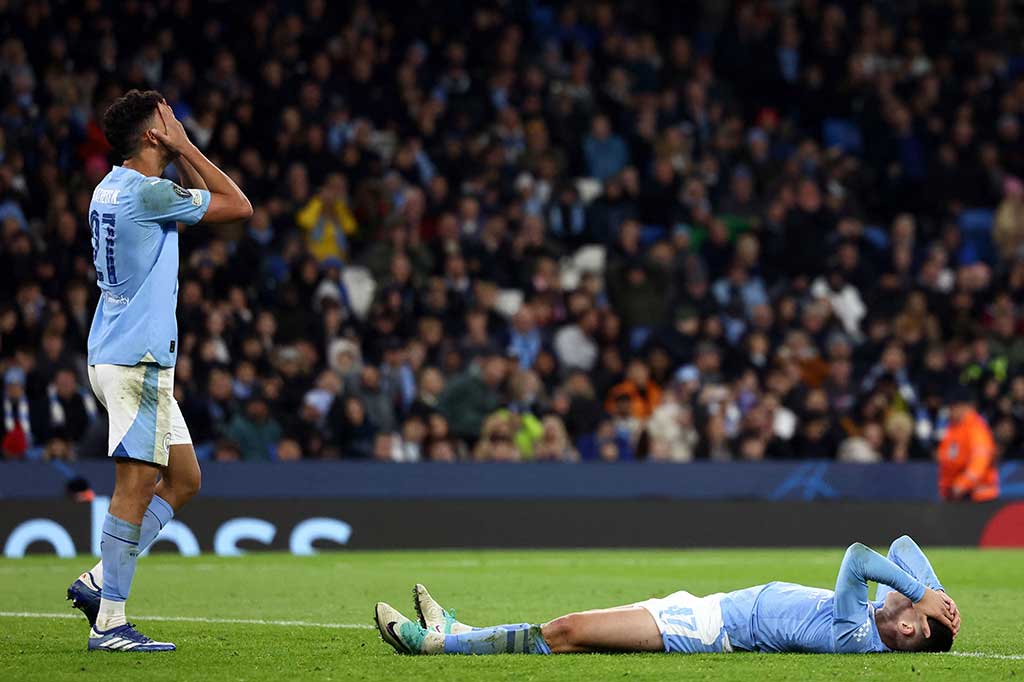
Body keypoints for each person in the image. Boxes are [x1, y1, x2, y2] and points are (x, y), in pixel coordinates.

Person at [65, 90, 252, 652]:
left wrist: (179, 143)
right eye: (168, 119)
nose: (177, 123)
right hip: (136, 359)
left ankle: (100, 580)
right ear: (154, 135)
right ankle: (111, 623)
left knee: (185, 478)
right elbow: (238, 204)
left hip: (115, 352)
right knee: (137, 483)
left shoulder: (109, 189)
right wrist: (189, 147)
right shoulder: (148, 193)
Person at [375, 536, 958, 656]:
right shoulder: (886, 626)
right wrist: (932, 594)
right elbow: (904, 543)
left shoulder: (855, 630)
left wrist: (919, 591)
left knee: (567, 631)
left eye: (912, 608)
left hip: (707, 629)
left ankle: (436, 645)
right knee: (570, 630)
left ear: (907, 629)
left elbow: (862, 555)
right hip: (709, 611)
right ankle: (458, 632)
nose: (906, 595)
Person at [937, 385, 999, 502]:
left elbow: (980, 462)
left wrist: (961, 484)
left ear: (963, 407)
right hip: (956, 495)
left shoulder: (976, 428)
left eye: (951, 407)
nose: (949, 411)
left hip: (977, 496)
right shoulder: (953, 428)